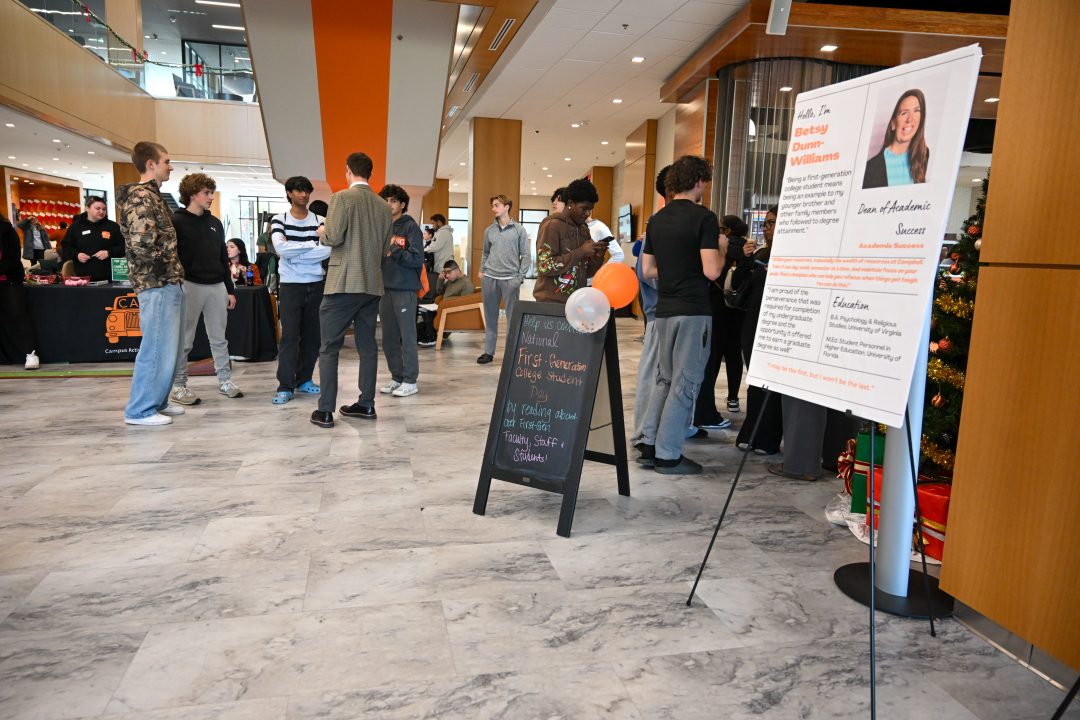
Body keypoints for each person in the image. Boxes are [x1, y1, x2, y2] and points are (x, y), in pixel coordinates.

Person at [636, 155, 725, 475]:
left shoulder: (656, 220)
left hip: (664, 312)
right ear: (699, 181)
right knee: (685, 383)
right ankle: (669, 454)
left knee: (664, 379)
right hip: (692, 311)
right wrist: (723, 249)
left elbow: (647, 270)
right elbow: (712, 270)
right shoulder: (704, 218)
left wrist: (673, 271)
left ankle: (648, 443)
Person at [311, 151, 393, 429]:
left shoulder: (342, 198)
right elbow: (384, 249)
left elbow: (333, 237)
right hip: (371, 284)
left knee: (329, 347)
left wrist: (322, 229)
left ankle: (325, 411)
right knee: (367, 346)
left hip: (344, 283)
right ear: (369, 173)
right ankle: (366, 404)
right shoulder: (383, 206)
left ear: (348, 171)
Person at [117, 140, 187, 426]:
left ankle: (156, 400)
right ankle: (140, 409)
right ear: (151, 164)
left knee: (168, 346)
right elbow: (143, 243)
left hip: (166, 279)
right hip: (156, 280)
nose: (170, 166)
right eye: (166, 161)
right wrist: (168, 262)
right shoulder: (140, 198)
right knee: (156, 345)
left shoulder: (153, 196)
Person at [169, 172, 243, 405]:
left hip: (217, 286)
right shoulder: (177, 221)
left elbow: (223, 258)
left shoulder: (215, 223)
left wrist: (229, 289)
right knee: (185, 339)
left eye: (211, 192)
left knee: (219, 338)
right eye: (206, 193)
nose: (211, 197)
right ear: (192, 194)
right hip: (189, 285)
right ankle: (179, 386)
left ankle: (224, 381)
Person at [270, 175, 330, 405]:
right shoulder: (279, 219)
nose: (304, 194)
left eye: (307, 191)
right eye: (298, 190)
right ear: (289, 193)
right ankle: (285, 385)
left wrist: (296, 251)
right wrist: (311, 245)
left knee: (313, 336)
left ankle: (304, 379)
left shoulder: (321, 220)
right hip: (291, 285)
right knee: (289, 337)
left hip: (316, 283)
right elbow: (281, 249)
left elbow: (328, 250)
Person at [733, 206, 784, 455]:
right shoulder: (760, 252)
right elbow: (741, 282)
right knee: (754, 377)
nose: (766, 229)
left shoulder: (791, 255)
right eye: (765, 224)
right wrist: (744, 259)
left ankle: (768, 437)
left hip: (777, 322)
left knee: (772, 380)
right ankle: (751, 431)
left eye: (771, 223)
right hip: (752, 320)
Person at [693, 214, 750, 429]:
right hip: (738, 309)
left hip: (716, 308)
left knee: (713, 355)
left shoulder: (717, 248)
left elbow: (711, 273)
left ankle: (706, 404)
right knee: (734, 355)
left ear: (726, 231)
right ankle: (733, 399)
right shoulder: (748, 249)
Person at [377, 183, 425, 397]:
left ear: (402, 204)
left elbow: (417, 259)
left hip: (404, 289)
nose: (389, 205)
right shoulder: (383, 226)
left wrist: (396, 252)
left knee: (407, 336)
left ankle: (410, 380)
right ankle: (397, 377)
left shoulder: (410, 227)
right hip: (384, 288)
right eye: (386, 200)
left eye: (393, 201)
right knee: (388, 337)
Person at [476, 194, 530, 364]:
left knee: (512, 318)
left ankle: (511, 353)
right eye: (493, 205)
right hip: (489, 278)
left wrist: (519, 278)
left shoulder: (519, 230)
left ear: (507, 207)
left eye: (496, 205)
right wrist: (481, 271)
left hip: (510, 280)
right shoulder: (489, 231)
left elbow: (526, 255)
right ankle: (489, 353)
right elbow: (485, 252)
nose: (493, 209)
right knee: (490, 317)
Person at [533, 179, 605, 304]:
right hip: (551, 304)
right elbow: (544, 267)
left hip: (577, 303)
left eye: (590, 209)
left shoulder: (584, 229)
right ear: (570, 203)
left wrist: (597, 258)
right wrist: (581, 252)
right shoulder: (552, 225)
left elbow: (586, 273)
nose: (588, 213)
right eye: (584, 208)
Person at [863, 89, 928, 189]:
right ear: (893, 123)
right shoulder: (870, 168)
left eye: (916, 111)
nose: (910, 119)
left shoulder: (924, 155)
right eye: (904, 113)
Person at [0, 213, 40, 369]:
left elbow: (12, 259)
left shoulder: (7, 232)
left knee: (19, 316)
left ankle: (31, 354)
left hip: (9, 281)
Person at [61, 196, 124, 281]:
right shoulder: (75, 227)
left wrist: (108, 252)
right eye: (97, 208)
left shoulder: (113, 226)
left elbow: (123, 247)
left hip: (109, 277)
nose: (101, 211)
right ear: (87, 208)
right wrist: (77, 255)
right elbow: (66, 246)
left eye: (104, 209)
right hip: (84, 277)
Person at [418, 259, 474, 346]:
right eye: (445, 273)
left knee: (428, 313)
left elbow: (464, 304)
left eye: (448, 272)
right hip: (444, 308)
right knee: (425, 310)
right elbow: (439, 292)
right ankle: (431, 335)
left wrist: (445, 304)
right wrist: (440, 279)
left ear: (457, 271)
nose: (446, 275)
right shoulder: (450, 281)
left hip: (452, 312)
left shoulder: (466, 284)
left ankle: (431, 337)